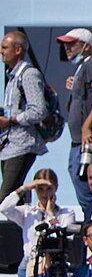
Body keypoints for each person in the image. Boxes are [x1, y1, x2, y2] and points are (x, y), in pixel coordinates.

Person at [4, 168, 82, 277]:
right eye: (40, 189)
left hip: (55, 266)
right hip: (30, 266)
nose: (45, 193)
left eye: (48, 188)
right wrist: (25, 188)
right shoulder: (27, 212)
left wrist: (50, 213)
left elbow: (59, 235)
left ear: (55, 188)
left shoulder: (65, 213)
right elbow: (4, 208)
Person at [56, 28, 92, 198]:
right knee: (79, 178)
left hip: (89, 139)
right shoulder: (83, 67)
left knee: (87, 183)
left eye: (72, 44)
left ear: (86, 46)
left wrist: (87, 127)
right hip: (79, 140)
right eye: (66, 45)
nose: (67, 48)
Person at [0, 29, 52, 195]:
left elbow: (38, 110)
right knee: (15, 199)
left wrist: (11, 120)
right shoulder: (12, 77)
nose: (1, 51)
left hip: (22, 144)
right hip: (8, 144)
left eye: (4, 47)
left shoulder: (28, 75)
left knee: (6, 198)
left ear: (18, 50)